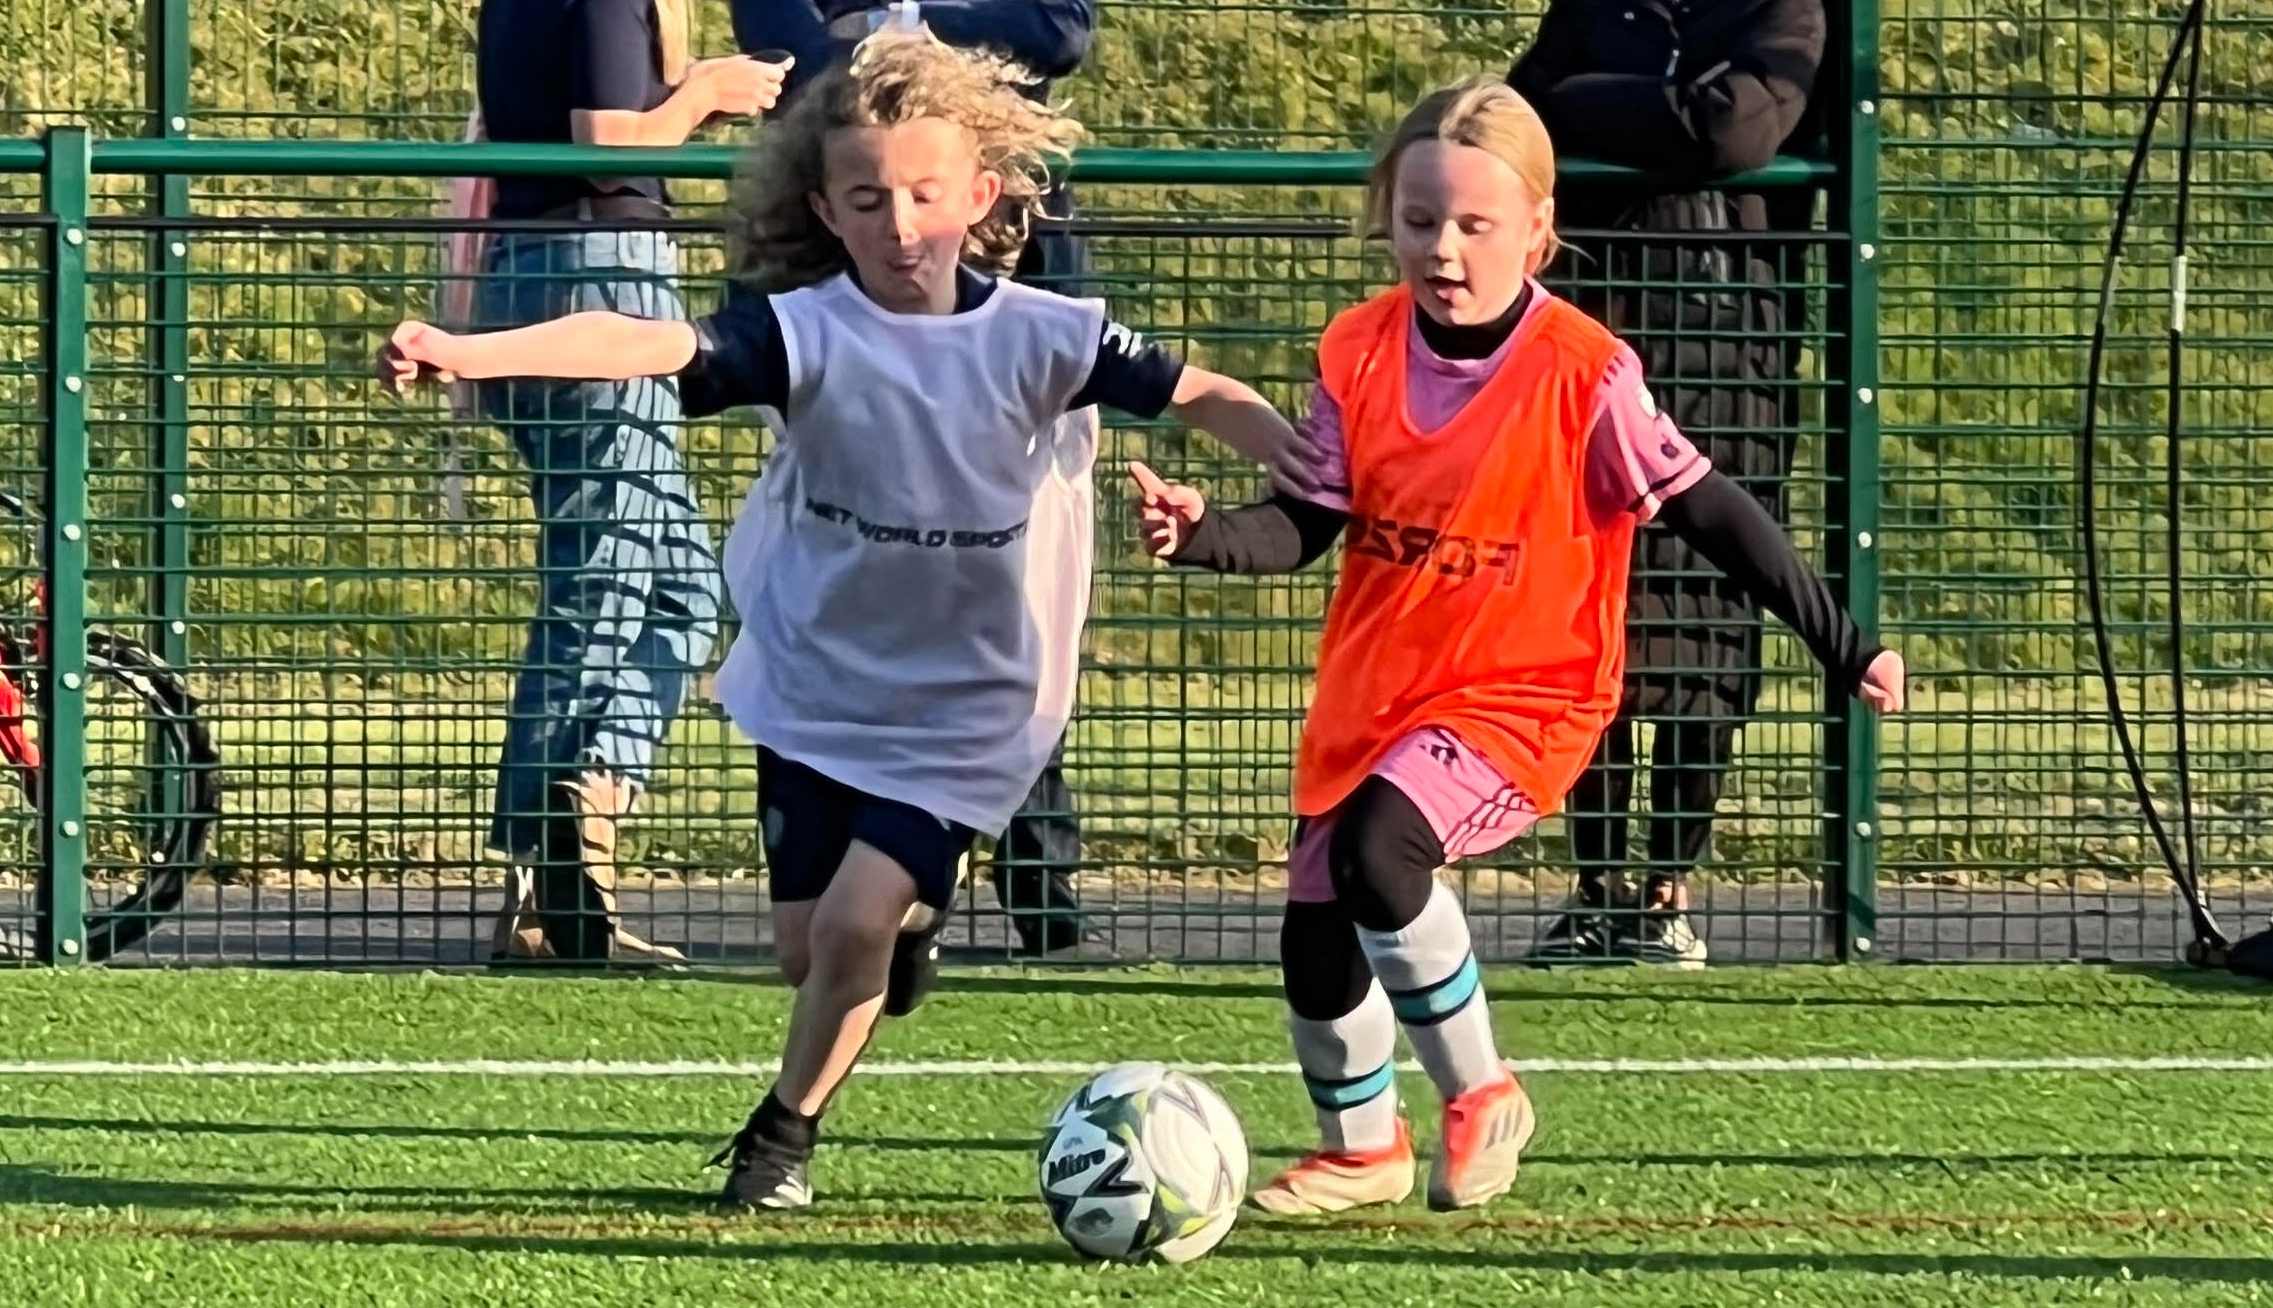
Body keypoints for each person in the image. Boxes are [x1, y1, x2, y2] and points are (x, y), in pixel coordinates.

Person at [378, 30, 1310, 1209]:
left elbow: (1205, 394)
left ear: (981, 194)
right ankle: (893, 940)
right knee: (807, 947)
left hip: (979, 702)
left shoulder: (1048, 334)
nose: (901, 223)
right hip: (820, 685)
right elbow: (642, 343)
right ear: (824, 206)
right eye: (868, 198)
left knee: (857, 922)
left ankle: (781, 1142)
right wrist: (466, 348)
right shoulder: (805, 329)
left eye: (927, 194)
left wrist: (1322, 470)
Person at [1127, 76, 1903, 1215]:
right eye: (1418, 220)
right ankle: (1363, 1149)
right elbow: (1306, 523)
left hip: (1524, 695)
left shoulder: (1584, 373)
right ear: (1385, 216)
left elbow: (1709, 509)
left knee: (1377, 855)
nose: (1443, 247)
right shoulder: (1355, 350)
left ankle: (1481, 1089)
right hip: (1376, 691)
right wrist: (1203, 535)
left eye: (1474, 225)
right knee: (1313, 925)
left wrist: (1842, 645)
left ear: (1537, 230)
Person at [726, 0, 1099, 956]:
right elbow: (784, 49)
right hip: (847, 306)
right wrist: (867, 59)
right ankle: (867, 868)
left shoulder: (1027, 311)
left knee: (1001, 598)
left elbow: (1059, 29)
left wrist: (910, 23)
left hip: (1002, 317)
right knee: (860, 572)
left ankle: (1021, 888)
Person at [1508, 0, 1827, 967]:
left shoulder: (1788, 9)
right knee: (1590, 612)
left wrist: (1596, 109)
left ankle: (1667, 889)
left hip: (1734, 360)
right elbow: (1520, 116)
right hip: (1597, 345)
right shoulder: (1597, 8)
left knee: (1708, 628)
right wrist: (1664, 109)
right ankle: (1595, 886)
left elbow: (1737, 128)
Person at [468, 0, 788, 963]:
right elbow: (605, 148)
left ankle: (571, 850)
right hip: (596, 276)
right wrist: (705, 93)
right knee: (603, 587)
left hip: (540, 274)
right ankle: (557, 877)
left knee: (674, 589)